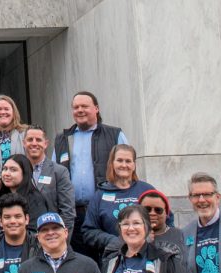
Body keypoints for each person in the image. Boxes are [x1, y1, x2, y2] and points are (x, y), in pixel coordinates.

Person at [52, 91, 127, 258]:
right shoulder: (62, 139)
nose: (80, 110)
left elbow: (127, 168)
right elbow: (54, 175)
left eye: (84, 106)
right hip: (74, 214)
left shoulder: (114, 135)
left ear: (96, 108)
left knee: (109, 258)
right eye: (76, 107)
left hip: (106, 211)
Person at [81, 145, 158, 260]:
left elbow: (165, 220)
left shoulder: (147, 190)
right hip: (114, 258)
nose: (124, 165)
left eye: (128, 161)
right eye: (119, 160)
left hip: (147, 257)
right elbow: (88, 232)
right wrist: (114, 241)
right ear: (112, 163)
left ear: (134, 165)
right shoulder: (100, 195)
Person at [0, 154, 49, 244]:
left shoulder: (36, 199)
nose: (7, 173)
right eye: (5, 169)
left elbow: (36, 232)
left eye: (13, 170)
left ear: (25, 173)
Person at [22, 126, 76, 233]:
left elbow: (68, 212)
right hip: (24, 240)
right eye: (30, 140)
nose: (34, 143)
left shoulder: (59, 172)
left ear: (45, 144)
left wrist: (60, 242)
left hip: (51, 236)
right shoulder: (17, 171)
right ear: (24, 143)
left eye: (38, 140)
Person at [139, 188, 186, 252]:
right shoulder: (128, 237)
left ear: (166, 213)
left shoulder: (180, 235)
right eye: (147, 209)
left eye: (158, 210)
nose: (152, 213)